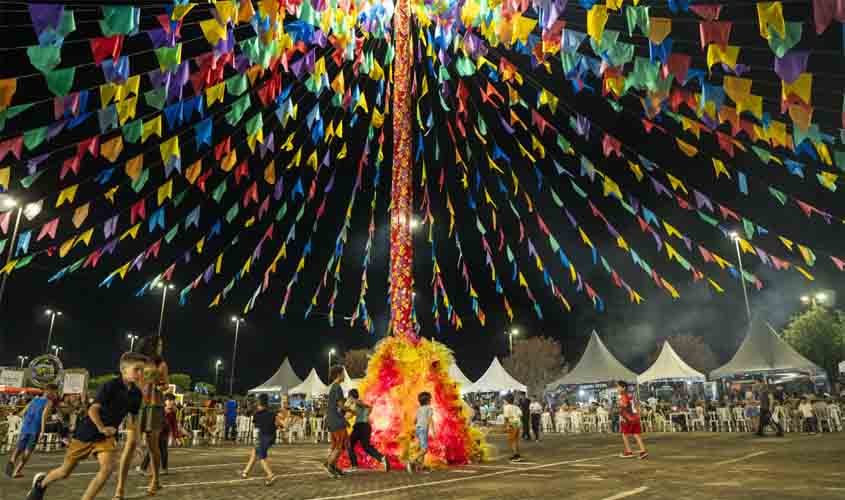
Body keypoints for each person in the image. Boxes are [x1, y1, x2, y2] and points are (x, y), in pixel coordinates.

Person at [26, 353, 146, 500]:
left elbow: (134, 419)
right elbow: (92, 409)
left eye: (142, 370)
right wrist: (102, 427)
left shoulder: (136, 394)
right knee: (65, 472)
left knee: (107, 468)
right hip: (87, 432)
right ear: (124, 370)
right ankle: (41, 484)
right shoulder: (110, 386)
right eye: (137, 369)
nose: (140, 374)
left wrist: (138, 444)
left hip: (106, 437)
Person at [116, 336, 169, 497]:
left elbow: (166, 384)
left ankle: (155, 481)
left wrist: (160, 383)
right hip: (136, 404)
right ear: (150, 345)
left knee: (153, 446)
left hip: (155, 404)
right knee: (130, 445)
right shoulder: (136, 361)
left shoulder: (161, 364)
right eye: (159, 344)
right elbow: (127, 378)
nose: (161, 347)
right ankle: (120, 488)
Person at [6, 384, 59, 479]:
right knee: (28, 450)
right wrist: (42, 431)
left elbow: (24, 412)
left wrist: (16, 416)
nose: (55, 395)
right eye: (54, 392)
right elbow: (43, 417)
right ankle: (17, 471)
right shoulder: (49, 402)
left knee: (20, 446)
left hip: (26, 425)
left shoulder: (35, 399)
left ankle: (12, 460)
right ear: (49, 391)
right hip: (35, 428)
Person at [345, 389, 389, 472]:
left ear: (350, 396)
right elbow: (351, 414)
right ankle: (381, 458)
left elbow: (365, 406)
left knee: (349, 444)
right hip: (366, 427)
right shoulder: (358, 404)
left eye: (349, 396)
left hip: (360, 427)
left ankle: (354, 465)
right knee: (366, 447)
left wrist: (351, 402)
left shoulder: (357, 402)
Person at [240, 394, 279, 486]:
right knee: (254, 453)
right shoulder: (272, 413)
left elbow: (256, 428)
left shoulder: (257, 414)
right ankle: (245, 472)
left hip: (263, 437)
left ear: (260, 403)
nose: (256, 404)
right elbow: (277, 424)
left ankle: (270, 475)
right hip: (270, 437)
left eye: (257, 402)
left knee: (262, 457)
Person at [141, 393, 179, 475]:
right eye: (169, 400)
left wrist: (176, 437)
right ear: (165, 401)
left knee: (164, 452)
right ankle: (143, 468)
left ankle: (164, 469)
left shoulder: (173, 412)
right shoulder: (159, 410)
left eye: (172, 400)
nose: (171, 402)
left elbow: (174, 425)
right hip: (155, 434)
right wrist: (146, 435)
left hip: (164, 435)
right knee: (151, 452)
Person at [321, 365, 348, 478]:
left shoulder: (334, 387)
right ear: (338, 375)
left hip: (333, 419)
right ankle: (328, 465)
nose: (344, 376)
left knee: (339, 445)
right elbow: (341, 405)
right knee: (339, 445)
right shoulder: (337, 387)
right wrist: (351, 409)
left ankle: (332, 465)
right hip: (336, 420)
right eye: (343, 373)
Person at [616, 381, 647, 459]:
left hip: (628, 418)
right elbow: (637, 404)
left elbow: (624, 405)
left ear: (623, 388)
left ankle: (629, 451)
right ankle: (643, 451)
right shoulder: (631, 395)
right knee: (636, 434)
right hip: (635, 417)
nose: (617, 388)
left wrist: (619, 404)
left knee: (624, 434)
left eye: (618, 387)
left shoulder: (623, 395)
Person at [407, 392, 435, 473]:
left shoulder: (419, 409)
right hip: (423, 429)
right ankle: (412, 461)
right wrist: (433, 430)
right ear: (427, 401)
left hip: (418, 429)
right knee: (425, 450)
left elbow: (414, 420)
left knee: (422, 448)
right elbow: (430, 419)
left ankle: (420, 467)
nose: (431, 400)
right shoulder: (429, 408)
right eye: (430, 399)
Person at [502, 393, 522, 462]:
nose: (503, 401)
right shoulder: (516, 407)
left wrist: (506, 426)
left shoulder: (506, 407)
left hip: (512, 424)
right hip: (518, 423)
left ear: (507, 400)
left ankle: (516, 455)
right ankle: (517, 455)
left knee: (512, 441)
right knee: (516, 440)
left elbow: (506, 418)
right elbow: (520, 414)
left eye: (504, 400)